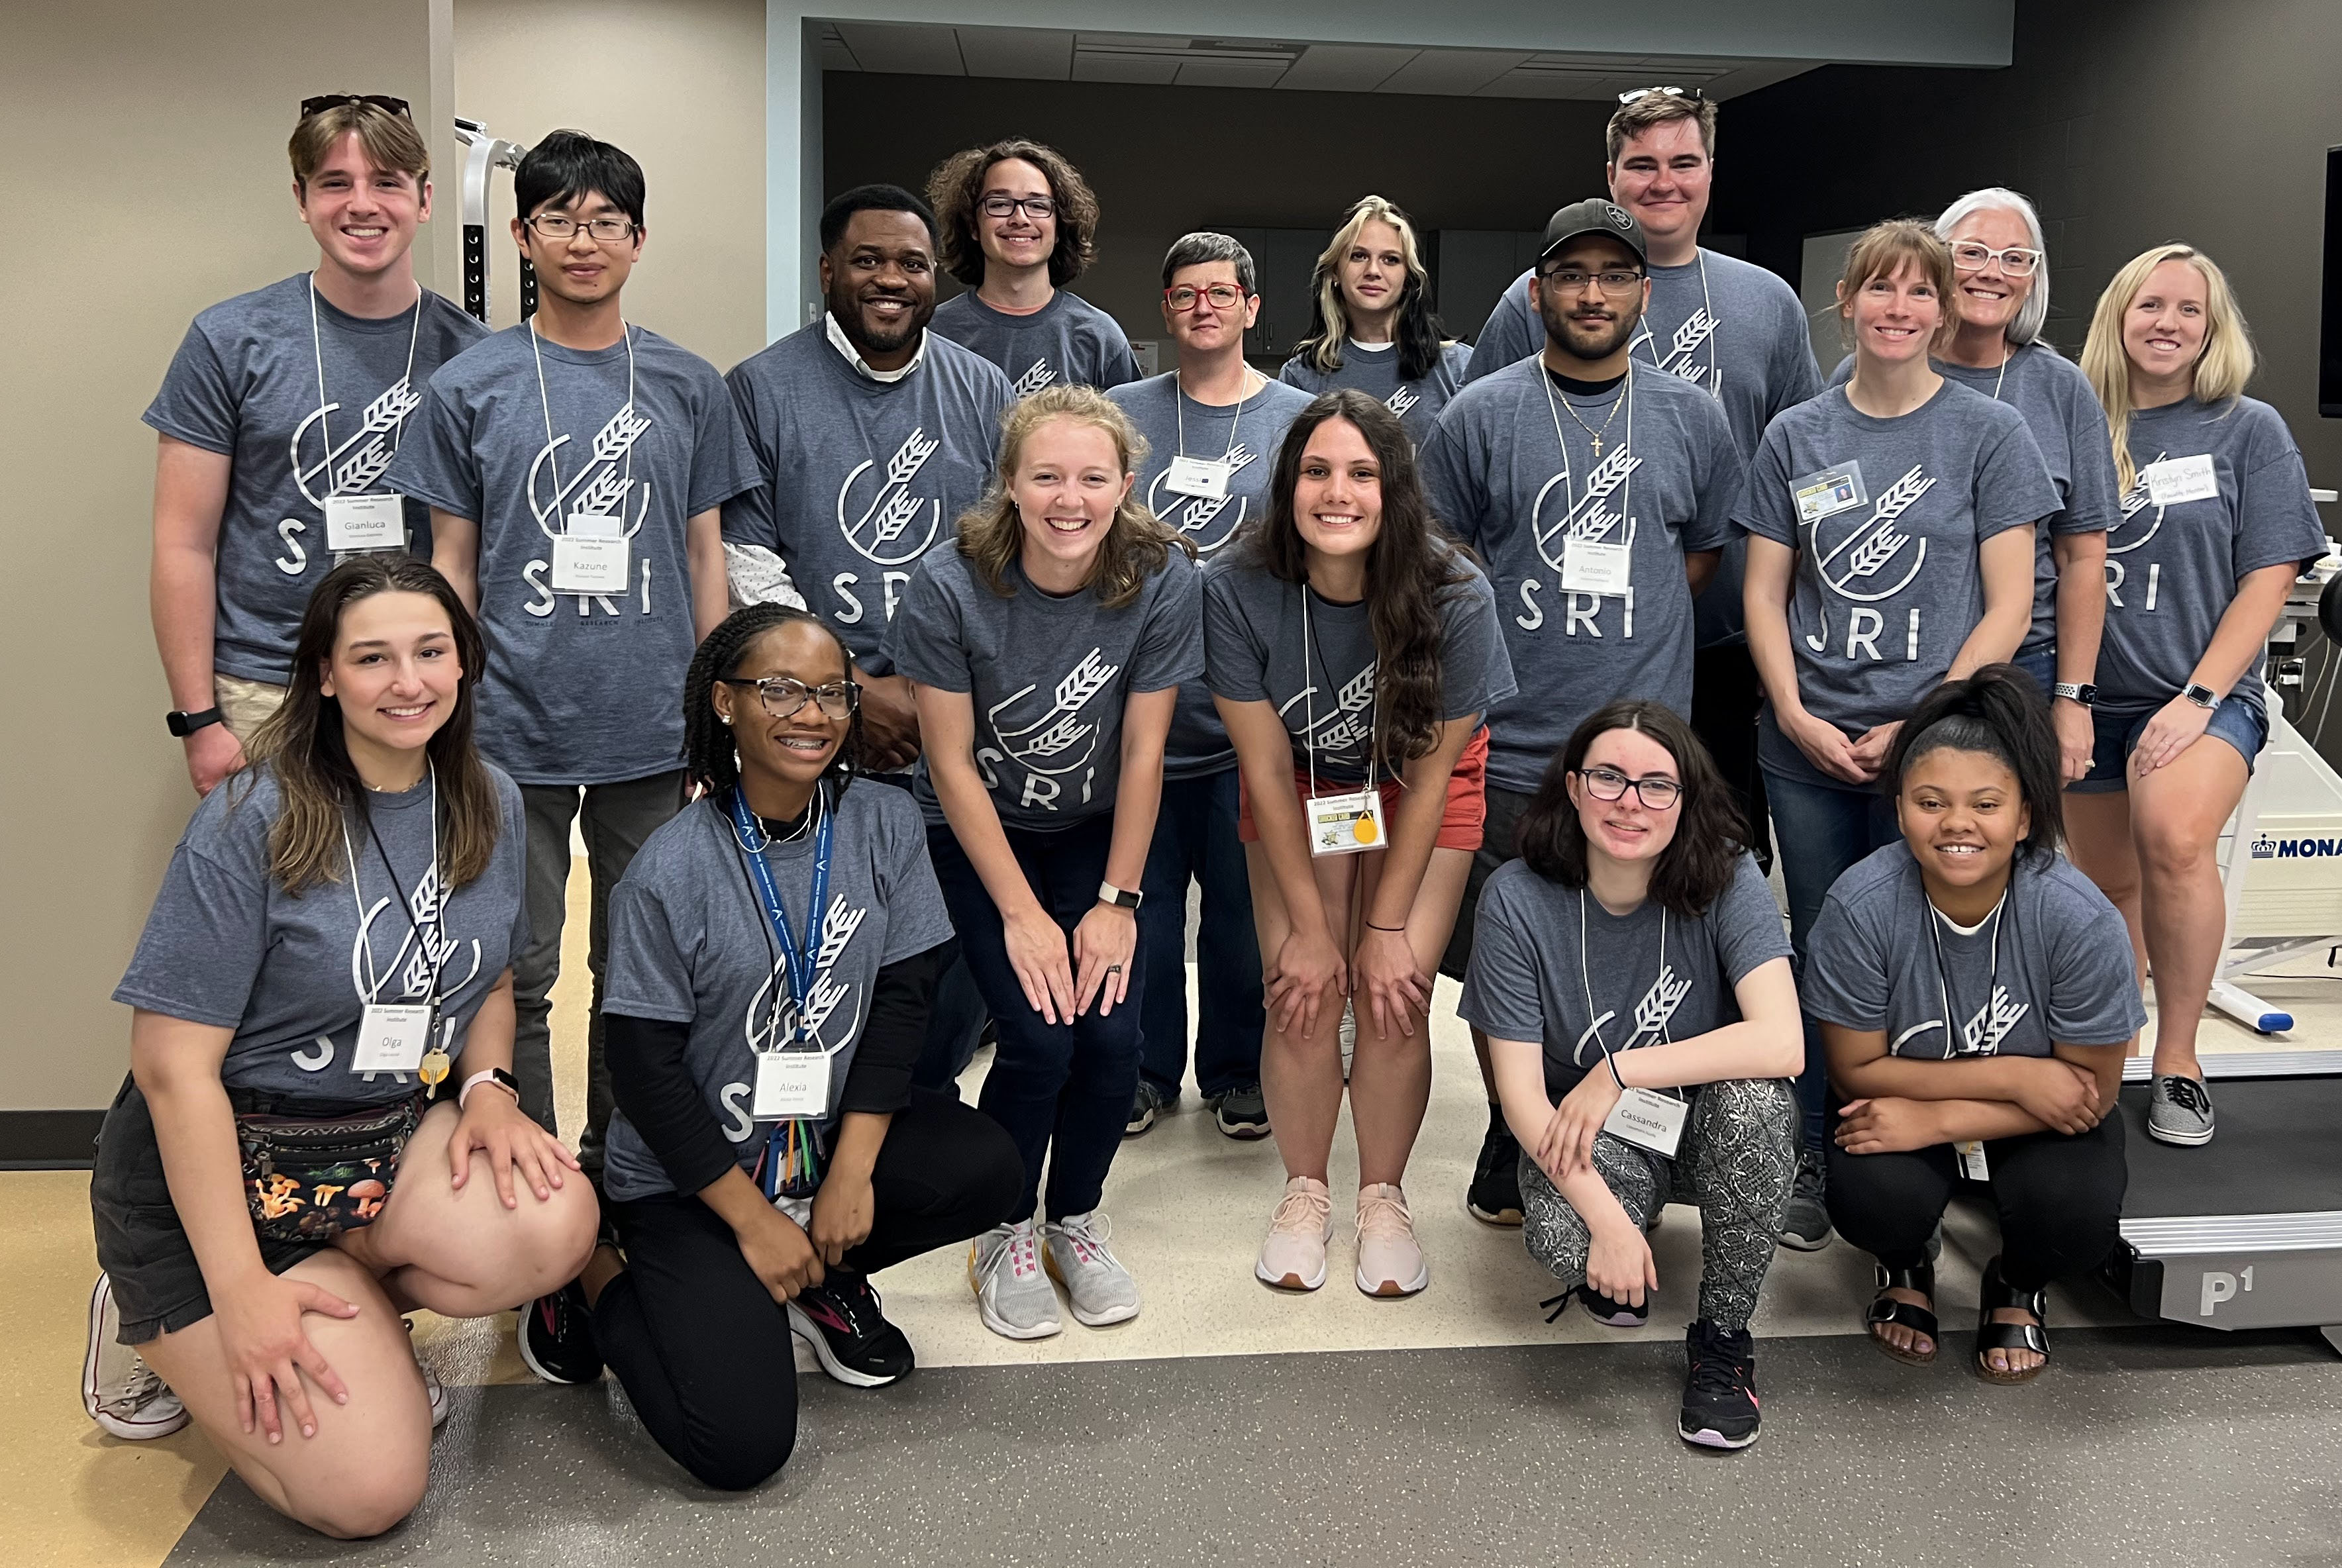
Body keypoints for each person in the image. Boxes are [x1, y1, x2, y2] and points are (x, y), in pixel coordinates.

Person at [85, 558, 596, 1536]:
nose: (409, 682)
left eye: (430, 652)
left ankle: (346, 1303)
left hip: (369, 1154)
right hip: (215, 1186)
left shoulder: (484, 796)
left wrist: (489, 1088)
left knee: (554, 1222)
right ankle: (152, 1316)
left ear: (463, 663)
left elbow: (488, 975)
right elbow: (172, 1070)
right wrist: (239, 1295)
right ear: (324, 675)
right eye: (373, 658)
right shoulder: (251, 820)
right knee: (367, 1494)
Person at [511, 604, 1022, 1489]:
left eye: (833, 692)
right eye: (780, 689)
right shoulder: (667, 871)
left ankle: (819, 1270)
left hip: (817, 1149)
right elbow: (644, 1070)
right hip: (693, 1178)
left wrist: (852, 1174)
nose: (814, 713)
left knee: (989, 1167)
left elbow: (903, 1002)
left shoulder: (882, 825)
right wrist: (749, 1222)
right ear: (723, 703)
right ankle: (592, 1271)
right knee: (739, 1449)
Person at [390, 130, 758, 1188]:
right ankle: (538, 1178)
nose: (582, 240)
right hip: (512, 726)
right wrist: (448, 712)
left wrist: (714, 712)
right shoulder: (472, 385)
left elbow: (704, 555)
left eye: (604, 221)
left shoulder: (688, 383)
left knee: (639, 972)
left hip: (653, 726)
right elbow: (449, 562)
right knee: (520, 967)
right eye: (559, 219)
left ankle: (622, 1169)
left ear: (638, 241)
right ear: (522, 234)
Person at [1421, 199, 1744, 1231]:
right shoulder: (1479, 413)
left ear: (1645, 293)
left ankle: (1611, 1119)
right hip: (1512, 739)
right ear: (1537, 291)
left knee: (1626, 946)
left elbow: (1695, 557)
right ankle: (1514, 1130)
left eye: (1615, 275)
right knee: (1509, 955)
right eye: (1571, 275)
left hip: (1646, 748)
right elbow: (1445, 557)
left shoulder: (1695, 415)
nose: (1592, 294)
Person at [1738, 219, 2057, 1250]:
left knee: (1926, 944)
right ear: (1847, 301)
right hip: (1811, 747)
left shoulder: (1987, 434)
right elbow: (1765, 592)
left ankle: (1922, 1144)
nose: (1899, 309)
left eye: (1920, 293)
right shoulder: (1798, 436)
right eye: (1880, 290)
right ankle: (1817, 1146)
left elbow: (2010, 604)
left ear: (1945, 307)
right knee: (1825, 941)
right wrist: (1793, 711)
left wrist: (1923, 721)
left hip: (1942, 751)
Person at [886, 385, 1201, 1339]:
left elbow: (1147, 752)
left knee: (1111, 1034)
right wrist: (1023, 915)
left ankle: (1074, 1217)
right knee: (1038, 1033)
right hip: (978, 831)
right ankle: (1003, 1226)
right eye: (1048, 476)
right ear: (1010, 485)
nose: (1071, 498)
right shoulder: (949, 583)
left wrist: (1119, 902)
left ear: (1125, 485)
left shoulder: (1161, 577)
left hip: (1095, 833)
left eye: (1093, 477)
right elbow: (947, 762)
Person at [1468, 87, 1823, 890]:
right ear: (1611, 174)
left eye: (1682, 162)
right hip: (1558, 651)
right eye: (1641, 165)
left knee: (1702, 870)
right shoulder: (1524, 306)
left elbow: (1802, 465)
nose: (1662, 181)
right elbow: (1482, 449)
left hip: (1722, 649)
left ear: (1709, 172)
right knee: (1553, 856)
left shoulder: (1766, 302)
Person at [1207, 389, 1515, 1297]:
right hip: (1303, 781)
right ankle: (1305, 1192)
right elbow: (1264, 767)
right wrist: (1310, 927)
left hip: (1418, 785)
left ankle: (1383, 1197)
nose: (1336, 492)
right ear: (1287, 483)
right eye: (1316, 471)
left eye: (1362, 473)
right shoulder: (1235, 585)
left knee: (1392, 991)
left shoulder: (1456, 591)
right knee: (1302, 985)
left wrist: (1384, 932)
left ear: (1395, 491)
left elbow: (1433, 774)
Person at [723, 185, 1014, 1095]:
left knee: (952, 937)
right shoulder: (763, 389)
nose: (890, 279)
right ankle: (811, 1117)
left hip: (950, 719)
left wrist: (934, 696)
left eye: (912, 264)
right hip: (808, 719)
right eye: (868, 261)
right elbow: (746, 560)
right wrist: (844, 687)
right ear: (827, 273)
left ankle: (919, 1106)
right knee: (816, 932)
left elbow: (1012, 556)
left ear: (936, 278)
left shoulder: (982, 390)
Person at [1462, 701, 1798, 1448]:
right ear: (1573, 786)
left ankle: (1721, 1339)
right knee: (1559, 1233)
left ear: (1685, 800)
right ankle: (1630, 1217)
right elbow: (1519, 1098)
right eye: (1607, 778)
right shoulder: (1517, 896)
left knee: (1756, 1106)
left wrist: (1619, 1068)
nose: (1628, 802)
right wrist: (1608, 1225)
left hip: (1710, 1129)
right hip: (1599, 1135)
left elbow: (1782, 1043)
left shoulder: (1726, 873)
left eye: (1656, 785)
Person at [147, 95, 487, 797]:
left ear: (424, 200)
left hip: (414, 691)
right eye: (335, 183)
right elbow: (182, 543)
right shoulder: (230, 340)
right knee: (268, 900)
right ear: (301, 200)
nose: (362, 204)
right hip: (266, 691)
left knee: (406, 900)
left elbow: (482, 552)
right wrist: (200, 718)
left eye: (387, 181)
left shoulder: (475, 359)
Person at [1809, 669, 2143, 1383]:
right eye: (1930, 802)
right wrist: (2019, 1074)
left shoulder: (2077, 917)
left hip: (2018, 1114)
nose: (1956, 823)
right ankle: (1904, 1262)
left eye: (1984, 804)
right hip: (1994, 1096)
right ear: (1899, 811)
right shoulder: (1860, 905)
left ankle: (2016, 1283)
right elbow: (1854, 1071)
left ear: (2023, 817)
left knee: (2074, 1216)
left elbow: (2092, 1095)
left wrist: (1939, 1120)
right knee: (1873, 1194)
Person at [2066, 245, 2327, 1148]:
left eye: (2189, 310)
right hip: (2084, 699)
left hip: (2200, 693)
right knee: (2107, 883)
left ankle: (2178, 1062)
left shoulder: (2247, 429)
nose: (2168, 324)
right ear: (2119, 314)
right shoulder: (2074, 416)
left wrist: (2198, 697)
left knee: (2173, 839)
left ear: (2213, 329)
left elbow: (2270, 574)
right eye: (2152, 305)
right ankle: (2116, 1049)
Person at [1108, 235, 1312, 1140]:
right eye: (1186, 293)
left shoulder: (1296, 421)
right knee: (1139, 912)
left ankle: (1239, 1070)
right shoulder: (1122, 414)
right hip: (1138, 717)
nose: (1204, 307)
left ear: (1252, 308)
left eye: (1222, 293)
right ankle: (1145, 1072)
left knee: (1240, 916)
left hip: (1251, 722)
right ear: (1166, 307)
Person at [1828, 189, 2119, 783]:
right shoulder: (1865, 371)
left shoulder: (2061, 390)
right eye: (1975, 253)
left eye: (2017, 258)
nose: (1994, 272)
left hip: (2020, 668)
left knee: (1983, 854)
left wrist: (2072, 699)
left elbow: (2084, 556)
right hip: (1891, 662)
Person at [927, 139, 1140, 394]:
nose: (1020, 218)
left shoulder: (1099, 337)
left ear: (1059, 226)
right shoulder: (934, 333)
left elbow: (1132, 431)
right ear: (973, 225)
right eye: (999, 204)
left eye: (1038, 205)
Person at [1278, 196, 1472, 445]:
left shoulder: (1458, 368)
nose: (1373, 271)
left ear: (1408, 278)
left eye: (1391, 259)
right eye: (1358, 256)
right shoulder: (1302, 376)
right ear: (1335, 271)